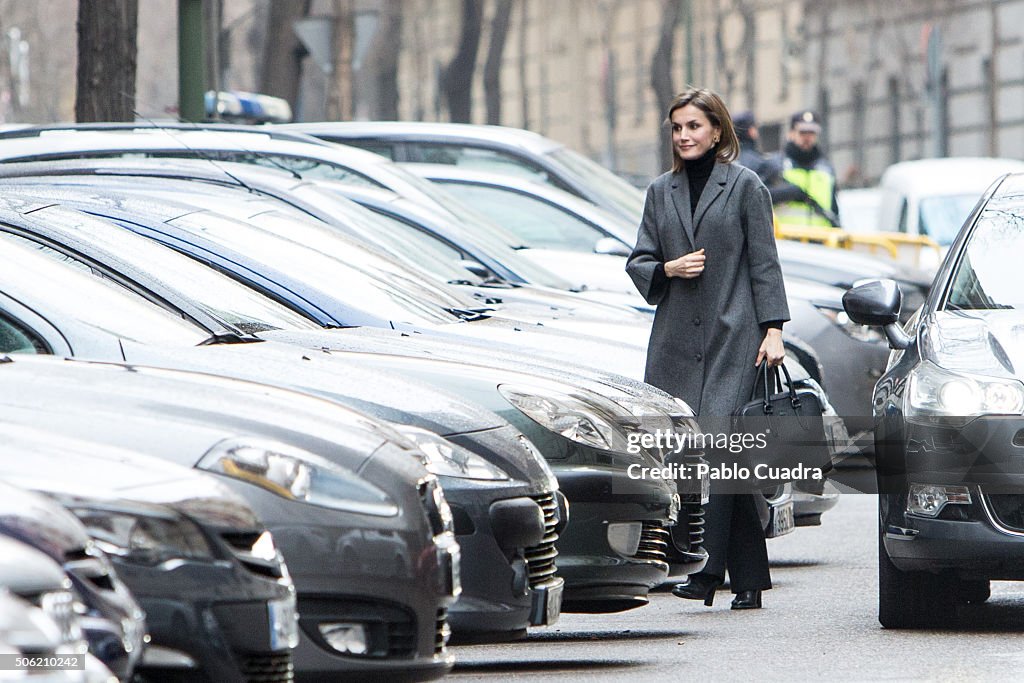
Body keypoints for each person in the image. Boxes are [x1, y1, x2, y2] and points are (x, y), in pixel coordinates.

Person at [625, 87, 790, 610]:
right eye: (677, 128)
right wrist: (667, 269)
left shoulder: (745, 186)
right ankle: (749, 581)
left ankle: (706, 572)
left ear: (717, 131)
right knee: (712, 459)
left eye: (694, 126)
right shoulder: (660, 191)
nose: (684, 136)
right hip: (676, 340)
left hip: (733, 334)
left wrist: (774, 329)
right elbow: (639, 261)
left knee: (719, 452)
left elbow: (764, 262)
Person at [765, 109, 840, 227]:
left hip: (822, 241)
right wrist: (789, 193)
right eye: (802, 132)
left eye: (811, 133)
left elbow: (834, 208)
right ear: (791, 134)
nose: (807, 138)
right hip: (786, 241)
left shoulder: (826, 168)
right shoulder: (775, 164)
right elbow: (760, 197)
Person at [733, 110, 769, 179]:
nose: (757, 132)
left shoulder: (730, 158)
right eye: (755, 127)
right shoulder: (758, 162)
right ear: (750, 131)